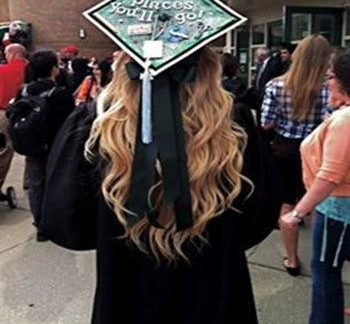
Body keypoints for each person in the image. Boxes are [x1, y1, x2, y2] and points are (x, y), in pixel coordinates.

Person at [84, 47, 281, 324]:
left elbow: (69, 224)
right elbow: (258, 220)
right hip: (214, 289)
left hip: (127, 292)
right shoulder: (234, 124)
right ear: (210, 66)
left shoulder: (99, 125)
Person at [281, 50, 350, 324]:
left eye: (330, 77)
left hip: (337, 207)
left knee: (325, 271)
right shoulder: (342, 115)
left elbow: (330, 175)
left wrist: (297, 213)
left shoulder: (345, 121)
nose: (326, 83)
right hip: (340, 204)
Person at [261, 34, 331, 276]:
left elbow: (266, 123)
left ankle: (292, 259)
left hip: (284, 150)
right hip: (318, 152)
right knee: (316, 204)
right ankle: (321, 260)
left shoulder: (276, 85)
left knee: (287, 205)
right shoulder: (329, 88)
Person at [23, 48, 75, 241]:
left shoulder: (24, 89)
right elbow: (69, 121)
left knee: (36, 184)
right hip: (56, 145)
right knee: (57, 184)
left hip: (33, 145)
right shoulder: (59, 93)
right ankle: (57, 222)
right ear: (54, 69)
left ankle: (40, 225)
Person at [0, 43, 28, 198]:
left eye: (6, 53)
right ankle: (29, 181)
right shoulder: (31, 69)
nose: (5, 56)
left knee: (3, 150)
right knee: (33, 149)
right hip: (29, 116)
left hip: (4, 114)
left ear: (13, 53)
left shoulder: (2, 71)